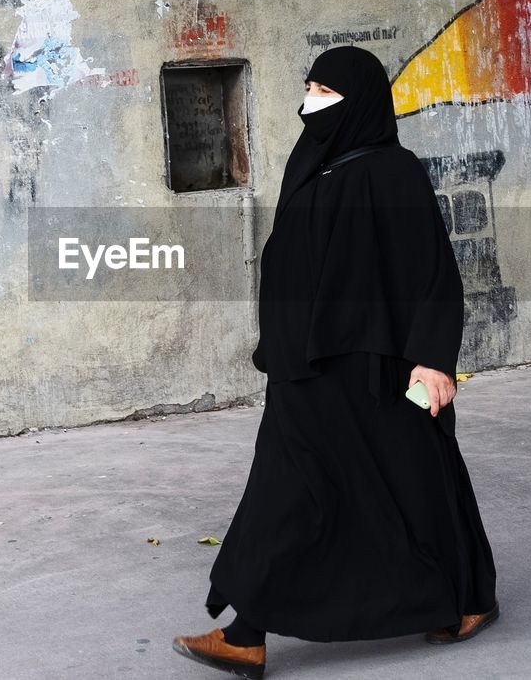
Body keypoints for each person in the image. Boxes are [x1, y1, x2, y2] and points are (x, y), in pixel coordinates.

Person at [172, 45, 499, 679]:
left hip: (375, 368)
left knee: (416, 479)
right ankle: (247, 633)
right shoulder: (312, 164)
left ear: (361, 101)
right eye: (310, 87)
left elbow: (432, 274)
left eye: (327, 90)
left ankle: (469, 599)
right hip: (304, 367)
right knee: (286, 488)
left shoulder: (390, 172)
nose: (312, 100)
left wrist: (433, 361)